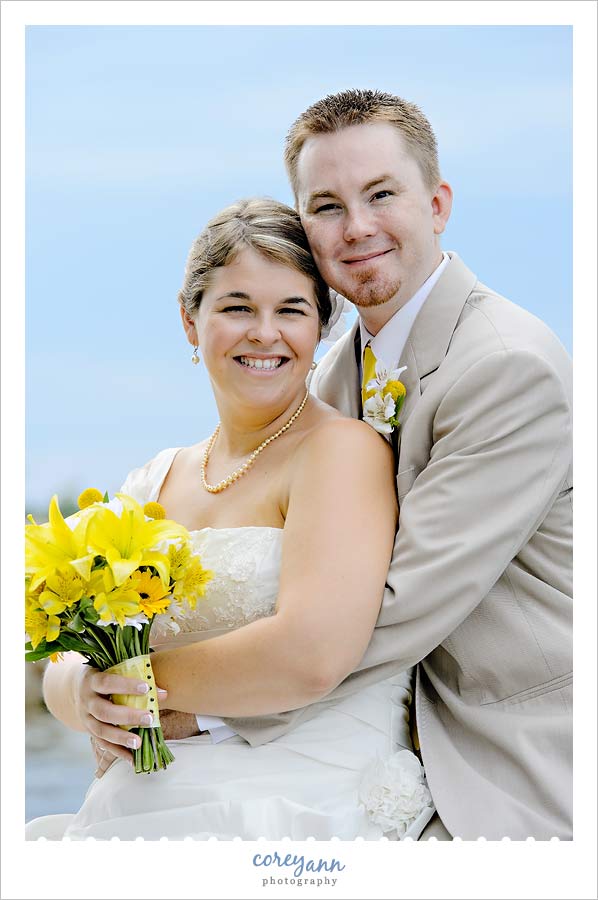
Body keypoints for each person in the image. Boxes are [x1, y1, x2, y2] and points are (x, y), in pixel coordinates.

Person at [26, 198, 434, 841]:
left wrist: (139, 683)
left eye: (291, 310)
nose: (264, 333)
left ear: (322, 326)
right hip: (150, 795)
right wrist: (82, 693)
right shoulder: (154, 481)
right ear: (191, 322)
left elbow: (311, 654)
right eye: (237, 307)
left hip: (302, 797)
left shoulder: (341, 452)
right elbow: (65, 651)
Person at [280, 88, 572, 840]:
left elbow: (400, 601)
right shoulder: (327, 373)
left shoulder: (506, 367)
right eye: (326, 206)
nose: (357, 228)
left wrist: (197, 707)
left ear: (438, 204)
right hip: (368, 731)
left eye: (381, 194)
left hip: (508, 750)